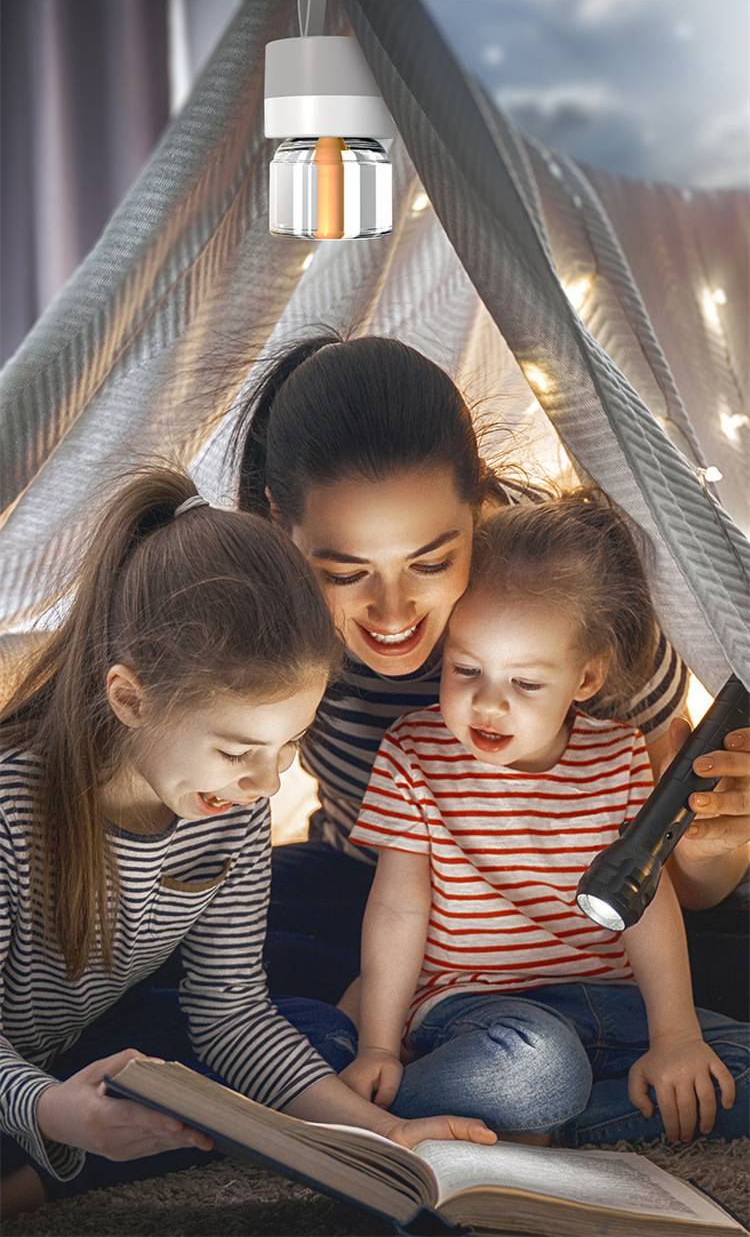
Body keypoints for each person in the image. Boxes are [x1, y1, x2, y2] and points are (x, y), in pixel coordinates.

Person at [0, 468, 495, 1219]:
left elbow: (230, 1012)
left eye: (291, 743)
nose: (266, 784)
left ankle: (62, 1155)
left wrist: (389, 1138)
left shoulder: (230, 806)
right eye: (237, 752)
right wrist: (47, 1111)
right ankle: (44, 1173)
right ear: (130, 697)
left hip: (72, 1054)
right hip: (27, 1081)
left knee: (313, 1048)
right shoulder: (14, 810)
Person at [234, 334, 749, 1013]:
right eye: (346, 573)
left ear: (478, 497)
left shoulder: (575, 589)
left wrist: (715, 847)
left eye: (431, 561)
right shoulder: (259, 609)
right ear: (282, 522)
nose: (393, 614)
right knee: (218, 967)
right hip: (372, 890)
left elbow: (675, 892)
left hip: (582, 913)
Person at [341, 491, 749, 1145]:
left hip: (613, 1010)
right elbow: (397, 910)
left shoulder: (618, 756)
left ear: (585, 678)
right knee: (534, 1069)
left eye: (525, 683)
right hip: (480, 1014)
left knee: (728, 1071)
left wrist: (675, 1036)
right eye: (466, 668)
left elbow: (650, 907)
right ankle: (359, 1114)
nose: (488, 705)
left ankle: (555, 1129)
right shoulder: (413, 754)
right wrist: (380, 1049)